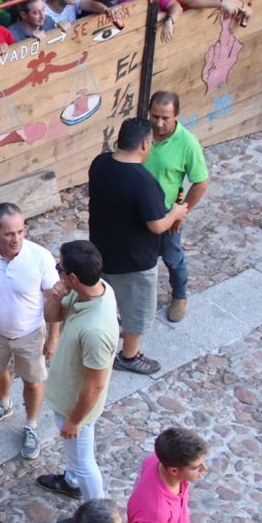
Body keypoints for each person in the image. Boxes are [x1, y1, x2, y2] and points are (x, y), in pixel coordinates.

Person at [87, 119, 187, 376]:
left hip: (101, 250)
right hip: (134, 260)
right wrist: (176, 212)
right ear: (144, 144)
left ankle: (99, 340)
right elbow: (156, 225)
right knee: (136, 312)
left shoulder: (100, 163)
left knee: (104, 302)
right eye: (150, 144)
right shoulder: (143, 181)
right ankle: (129, 356)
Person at [0, 203, 61, 462]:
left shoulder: (40, 257)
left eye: (20, 231)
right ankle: (4, 404)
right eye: (9, 233)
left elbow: (54, 300)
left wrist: (53, 336)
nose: (16, 239)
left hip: (30, 333)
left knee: (33, 381)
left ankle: (31, 425)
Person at [34, 241, 116, 500]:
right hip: (67, 395)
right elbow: (51, 317)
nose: (56, 271)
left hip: (76, 406)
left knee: (85, 464)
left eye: (59, 267)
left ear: (72, 277)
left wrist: (75, 420)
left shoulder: (96, 331)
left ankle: (98, 516)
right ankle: (71, 481)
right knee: (77, 457)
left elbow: (96, 385)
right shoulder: (91, 290)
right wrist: (56, 296)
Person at [143, 92, 208, 324]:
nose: (159, 123)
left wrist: (182, 212)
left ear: (176, 116)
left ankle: (179, 296)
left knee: (172, 257)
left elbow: (200, 181)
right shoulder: (142, 133)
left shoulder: (188, 143)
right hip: (138, 212)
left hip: (167, 214)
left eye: (165, 118)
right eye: (155, 116)